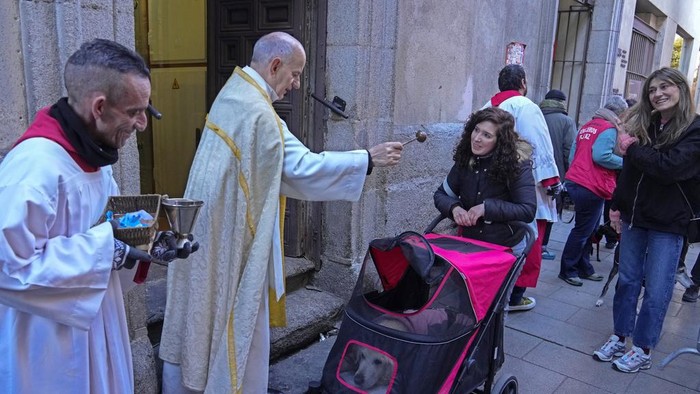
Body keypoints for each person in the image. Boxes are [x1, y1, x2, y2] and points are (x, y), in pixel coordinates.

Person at [158, 32, 403, 393]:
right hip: (233, 248)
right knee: (238, 328)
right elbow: (302, 169)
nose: (297, 83)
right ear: (275, 66)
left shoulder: (233, 95)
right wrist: (367, 159)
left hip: (210, 233)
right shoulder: (259, 116)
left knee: (200, 319)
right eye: (295, 73)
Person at [0, 39, 194, 393]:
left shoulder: (95, 157)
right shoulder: (33, 167)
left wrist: (150, 244)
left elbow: (110, 231)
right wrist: (108, 251)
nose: (142, 124)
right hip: (48, 344)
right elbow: (9, 269)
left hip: (100, 320)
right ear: (99, 106)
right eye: (135, 111)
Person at [593, 67, 700, 373]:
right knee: (627, 281)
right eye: (653, 90)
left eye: (665, 87)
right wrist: (616, 205)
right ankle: (619, 336)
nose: (658, 94)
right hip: (634, 218)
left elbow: (670, 168)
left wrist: (633, 148)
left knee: (656, 289)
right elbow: (630, 172)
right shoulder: (646, 124)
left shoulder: (694, 129)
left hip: (668, 223)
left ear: (681, 89)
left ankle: (642, 348)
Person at [482, 64, 561, 311]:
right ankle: (515, 296)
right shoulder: (527, 107)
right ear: (523, 83)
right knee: (526, 240)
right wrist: (550, 180)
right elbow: (539, 144)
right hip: (523, 186)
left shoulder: (487, 106)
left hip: (493, 185)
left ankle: (494, 292)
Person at [433, 107, 536, 251]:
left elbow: (527, 210)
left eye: (487, 135)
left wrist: (486, 208)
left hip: (505, 246)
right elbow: (441, 194)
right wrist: (454, 208)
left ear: (500, 141)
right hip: (470, 243)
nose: (476, 138)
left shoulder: (517, 164)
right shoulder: (466, 159)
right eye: (476, 130)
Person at [558, 96, 627, 286]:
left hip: (577, 181)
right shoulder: (609, 128)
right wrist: (626, 163)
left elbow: (573, 154)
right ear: (620, 114)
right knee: (582, 230)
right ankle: (568, 269)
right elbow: (601, 155)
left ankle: (584, 267)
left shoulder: (588, 126)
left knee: (588, 229)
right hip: (592, 185)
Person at [539, 89, 577, 260]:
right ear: (562, 102)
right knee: (551, 209)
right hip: (555, 172)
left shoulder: (536, 115)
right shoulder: (567, 121)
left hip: (533, 170)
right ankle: (543, 246)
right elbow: (569, 151)